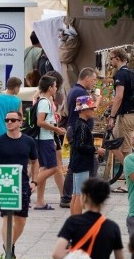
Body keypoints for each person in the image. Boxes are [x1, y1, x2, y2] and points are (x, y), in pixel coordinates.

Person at [0, 110, 39, 259]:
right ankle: (8, 252)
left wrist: (35, 181)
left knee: (21, 220)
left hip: (23, 184)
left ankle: (10, 244)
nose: (9, 123)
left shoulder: (28, 141)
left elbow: (35, 161)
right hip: (5, 183)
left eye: (13, 120)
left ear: (20, 122)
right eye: (7, 120)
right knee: (7, 217)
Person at [62, 68, 98, 208]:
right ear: (87, 77)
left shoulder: (74, 90)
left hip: (73, 128)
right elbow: (82, 146)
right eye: (94, 79)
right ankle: (89, 195)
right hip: (76, 130)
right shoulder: (81, 93)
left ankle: (69, 196)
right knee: (88, 164)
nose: (94, 83)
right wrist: (95, 149)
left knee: (76, 164)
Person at [33, 74, 66, 210]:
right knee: (53, 168)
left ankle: (40, 202)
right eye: (55, 86)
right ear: (50, 88)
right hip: (45, 139)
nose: (56, 88)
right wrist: (56, 129)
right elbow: (40, 122)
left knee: (45, 168)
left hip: (45, 138)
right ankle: (28, 188)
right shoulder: (45, 102)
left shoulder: (44, 100)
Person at [69, 96, 106, 217]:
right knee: (80, 194)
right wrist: (96, 149)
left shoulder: (78, 124)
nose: (93, 110)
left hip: (77, 162)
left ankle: (74, 219)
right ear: (84, 109)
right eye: (91, 108)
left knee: (76, 193)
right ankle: (78, 220)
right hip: (81, 163)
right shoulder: (83, 126)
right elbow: (81, 145)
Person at [107, 49, 134, 193]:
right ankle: (129, 174)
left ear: (117, 58)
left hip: (125, 116)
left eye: (111, 59)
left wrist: (112, 116)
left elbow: (119, 96)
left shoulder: (121, 74)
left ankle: (130, 181)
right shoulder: (131, 73)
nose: (110, 62)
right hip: (129, 115)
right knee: (113, 144)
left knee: (126, 150)